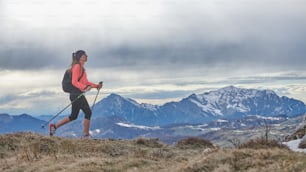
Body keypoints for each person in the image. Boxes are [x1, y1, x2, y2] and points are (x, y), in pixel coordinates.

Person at [49, 50, 102, 138]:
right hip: (76, 94)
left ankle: (54, 127)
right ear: (80, 57)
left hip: (75, 93)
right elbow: (74, 82)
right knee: (88, 112)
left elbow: (85, 82)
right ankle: (86, 135)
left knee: (73, 116)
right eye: (85, 55)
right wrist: (85, 87)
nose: (87, 56)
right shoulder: (77, 67)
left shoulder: (82, 69)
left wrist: (96, 86)